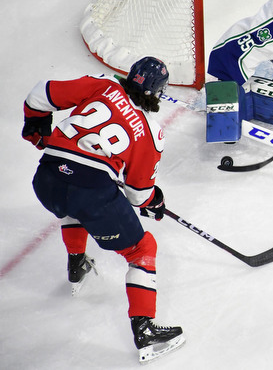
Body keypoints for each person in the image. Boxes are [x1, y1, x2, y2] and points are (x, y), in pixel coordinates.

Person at [21, 57, 185, 363]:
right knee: (142, 249)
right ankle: (145, 329)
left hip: (46, 180)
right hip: (90, 192)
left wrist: (35, 124)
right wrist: (155, 201)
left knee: (71, 205)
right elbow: (139, 195)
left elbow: (40, 94)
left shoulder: (104, 84)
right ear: (158, 92)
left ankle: (76, 264)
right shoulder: (151, 132)